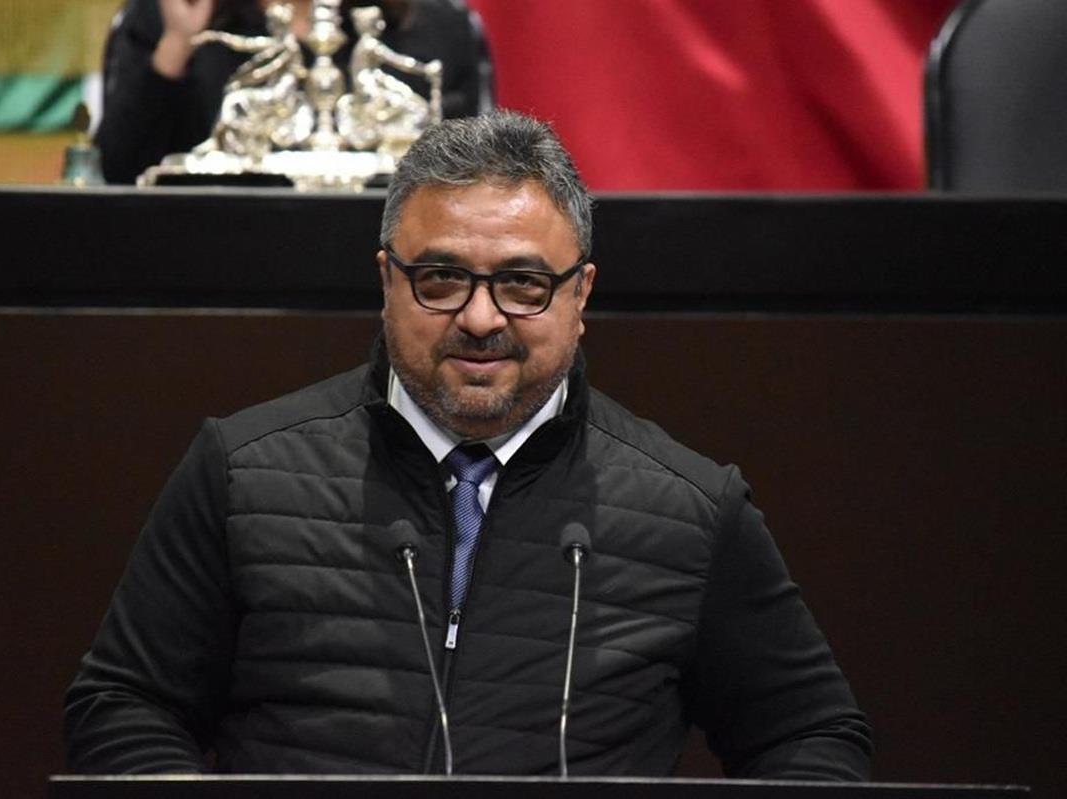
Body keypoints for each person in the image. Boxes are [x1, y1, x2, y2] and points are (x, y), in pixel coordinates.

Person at [64, 110, 872, 778]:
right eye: (441, 279)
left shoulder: (689, 509)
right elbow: (124, 704)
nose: (481, 319)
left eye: (523, 283)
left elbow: (813, 737)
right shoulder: (243, 472)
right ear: (386, 281)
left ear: (580, 292)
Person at [95, 0, 487, 183]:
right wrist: (178, 42)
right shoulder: (170, 15)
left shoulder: (436, 28)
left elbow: (472, 183)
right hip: (209, 260)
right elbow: (118, 170)